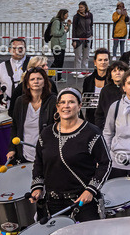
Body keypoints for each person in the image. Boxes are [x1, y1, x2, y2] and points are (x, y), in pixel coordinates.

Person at [30, 88, 110, 221]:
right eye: (62, 102)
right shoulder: (46, 134)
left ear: (79, 106)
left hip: (82, 202)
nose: (66, 106)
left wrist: (90, 190)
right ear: (57, 107)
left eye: (71, 102)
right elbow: (39, 162)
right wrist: (37, 187)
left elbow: (105, 163)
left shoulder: (91, 133)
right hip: (53, 202)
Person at [9, 67, 56, 165]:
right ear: (27, 84)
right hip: (25, 153)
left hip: (46, 154)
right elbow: (15, 127)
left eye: (39, 79)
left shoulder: (53, 101)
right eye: (32, 79)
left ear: (44, 82)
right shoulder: (20, 101)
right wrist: (12, 149)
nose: (36, 81)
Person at [0, 38, 29, 109]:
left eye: (21, 48)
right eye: (15, 48)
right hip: (8, 105)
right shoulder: (2, 66)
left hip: (29, 105)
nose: (19, 50)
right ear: (9, 50)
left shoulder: (33, 63)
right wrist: (0, 95)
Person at [94, 60, 129, 128]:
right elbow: (99, 113)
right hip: (109, 128)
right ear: (111, 75)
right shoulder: (105, 90)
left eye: (120, 70)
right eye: (114, 71)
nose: (117, 73)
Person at [71, 2, 94, 73]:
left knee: (86, 56)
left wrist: (91, 34)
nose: (80, 9)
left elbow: (91, 26)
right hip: (79, 38)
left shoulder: (90, 15)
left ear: (85, 7)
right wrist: (74, 40)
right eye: (79, 7)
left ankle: (85, 71)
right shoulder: (76, 17)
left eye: (82, 7)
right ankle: (77, 72)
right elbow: (74, 28)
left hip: (88, 37)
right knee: (78, 56)